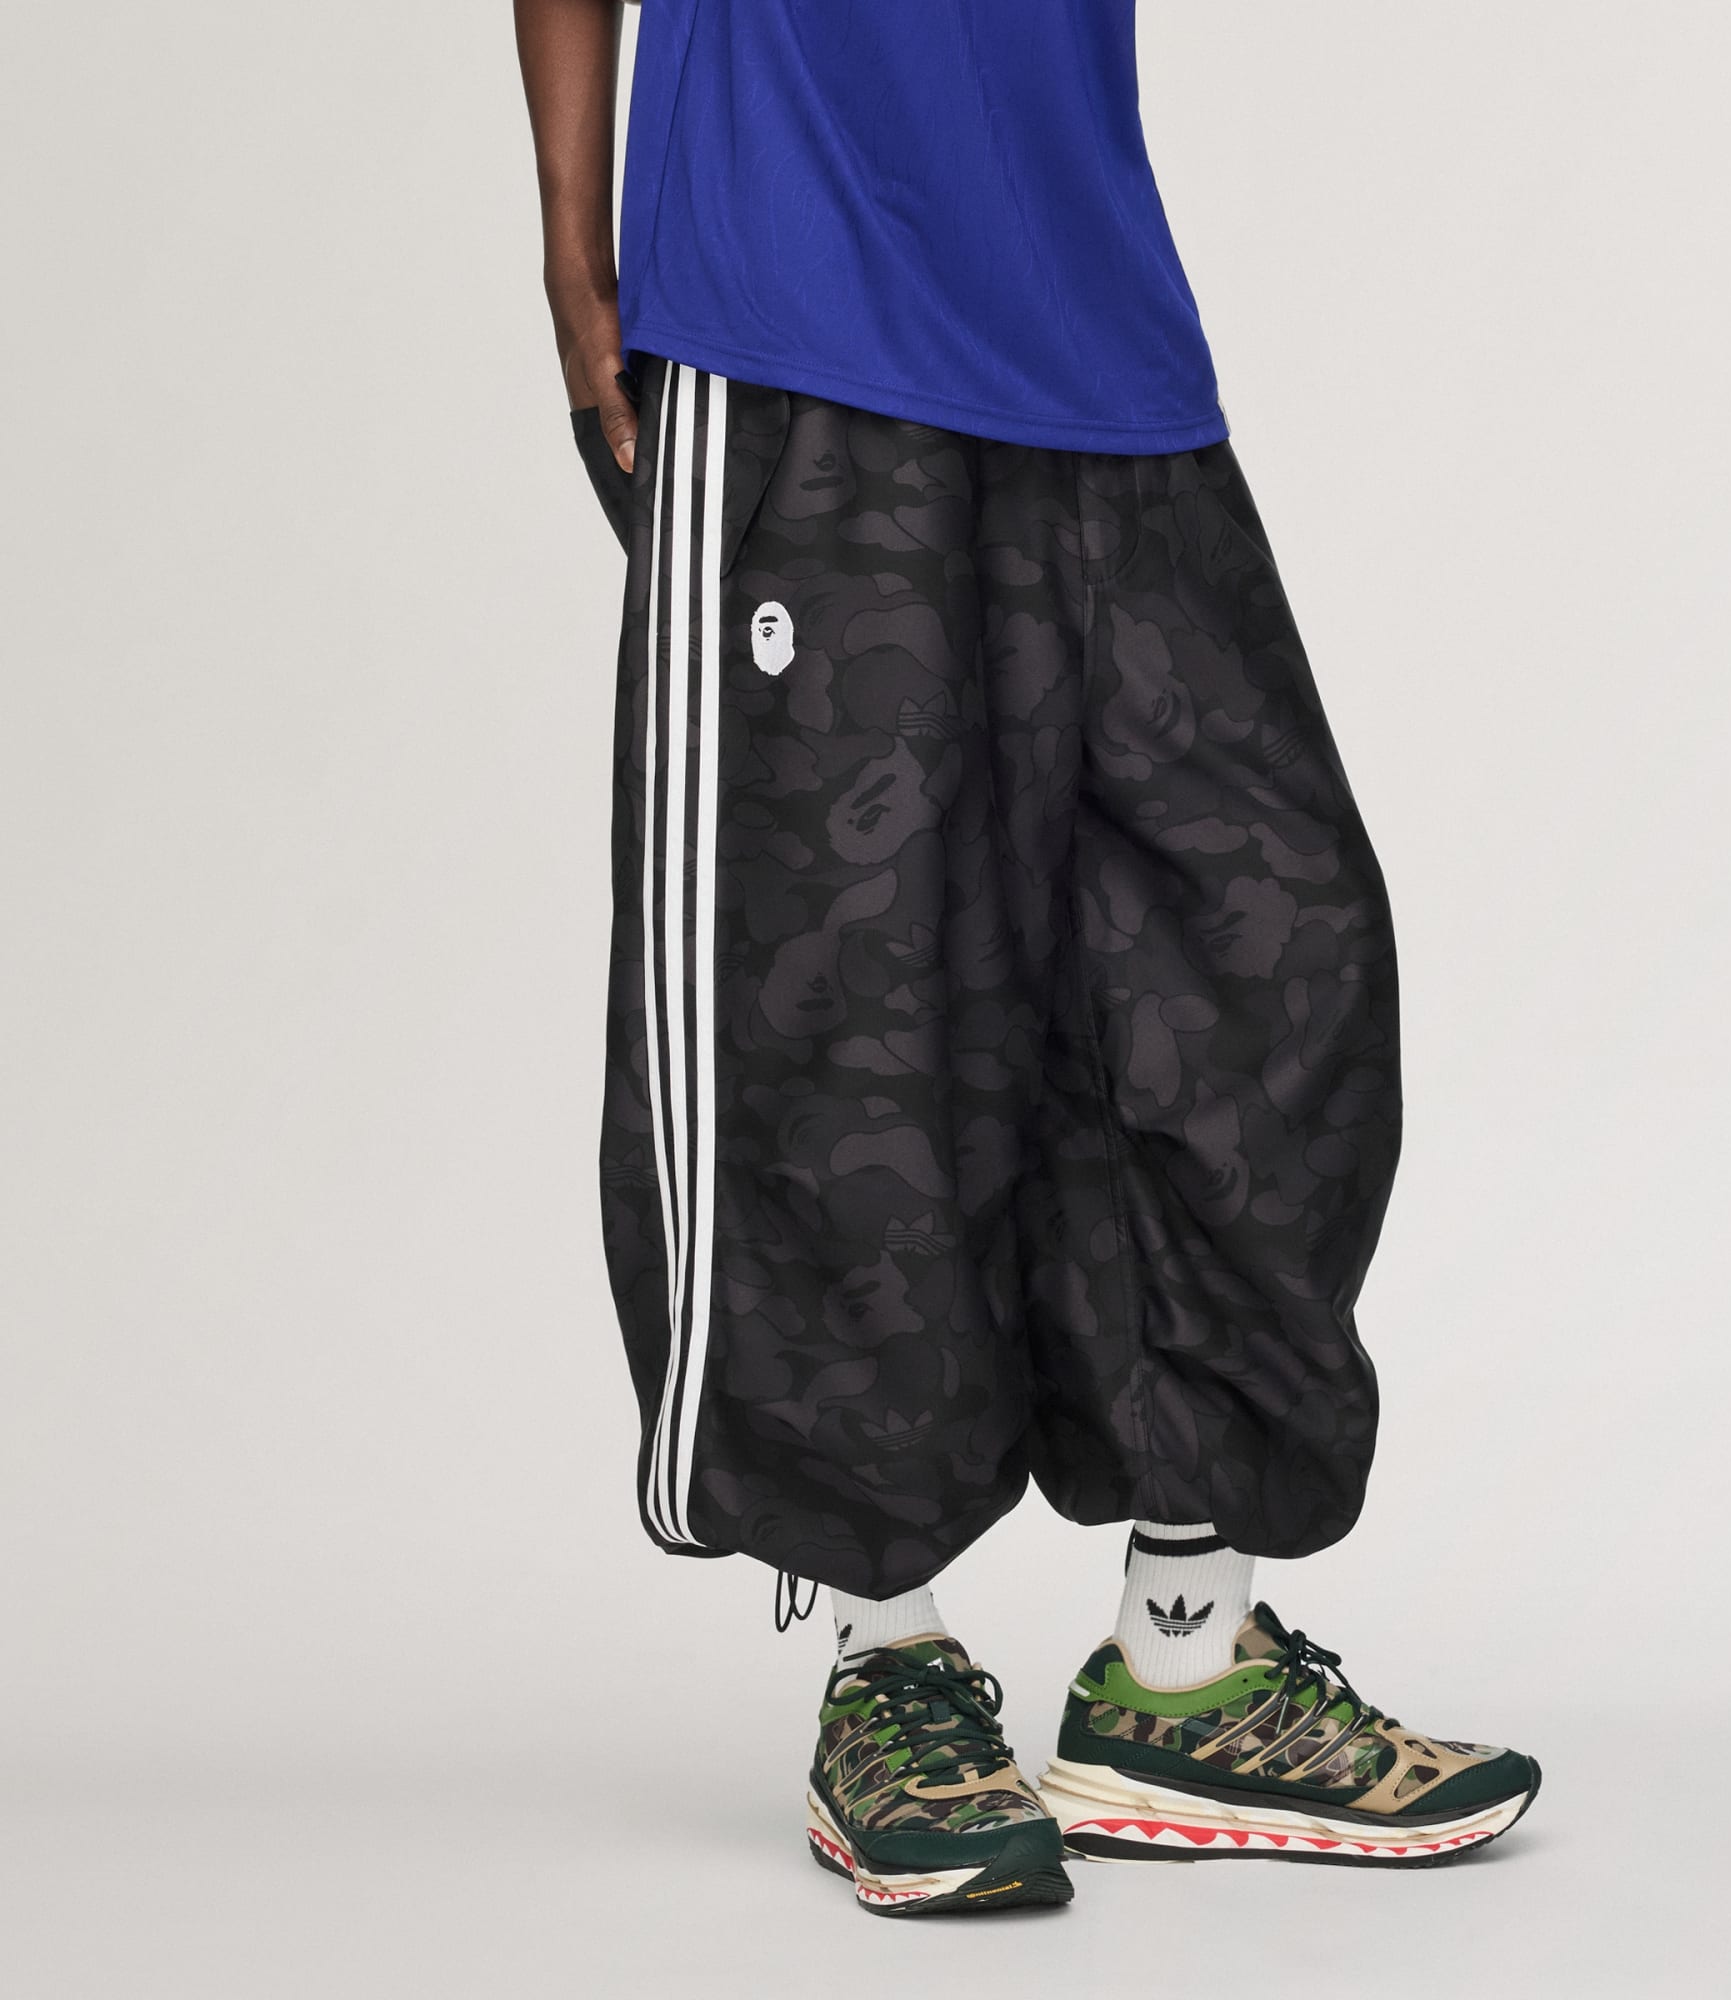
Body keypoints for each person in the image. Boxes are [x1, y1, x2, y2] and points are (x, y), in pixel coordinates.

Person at [515, 0, 1538, 1917]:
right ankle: (887, 1665)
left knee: (1262, 954)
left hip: (1094, 326)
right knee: (846, 1005)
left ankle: (1182, 1669)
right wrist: (576, 250)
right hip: (796, 309)